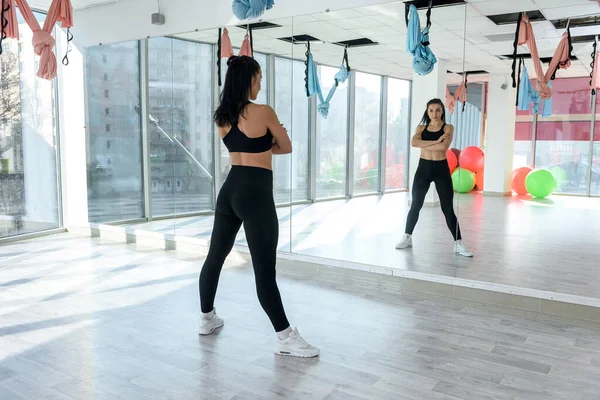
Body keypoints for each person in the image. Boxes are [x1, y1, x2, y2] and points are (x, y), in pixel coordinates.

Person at [198, 55, 319, 358]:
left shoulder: (222, 116)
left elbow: (245, 147)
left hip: (230, 189)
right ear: (248, 79)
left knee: (215, 257)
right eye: (259, 78)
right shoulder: (264, 111)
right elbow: (286, 146)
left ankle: (207, 319)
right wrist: (269, 140)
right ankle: (285, 337)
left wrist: (262, 143)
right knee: (265, 271)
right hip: (255, 193)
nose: (260, 83)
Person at [395, 98, 473, 257]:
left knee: (447, 208)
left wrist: (427, 143)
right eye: (431, 110)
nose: (434, 113)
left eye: (438, 110)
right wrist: (436, 141)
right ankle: (407, 237)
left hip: (441, 169)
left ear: (442, 111)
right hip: (423, 169)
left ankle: (458, 243)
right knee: (416, 204)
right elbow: (413, 143)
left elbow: (443, 147)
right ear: (427, 112)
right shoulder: (421, 127)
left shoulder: (448, 127)